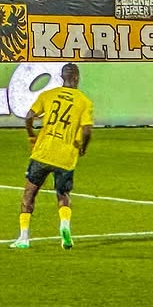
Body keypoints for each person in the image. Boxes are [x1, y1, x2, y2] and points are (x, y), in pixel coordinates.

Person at [12, 63, 94, 250]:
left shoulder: (48, 95)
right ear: (77, 78)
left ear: (62, 77)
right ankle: (65, 228)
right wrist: (83, 147)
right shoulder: (84, 102)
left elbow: (28, 117)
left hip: (42, 153)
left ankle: (23, 238)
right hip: (65, 156)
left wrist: (31, 135)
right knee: (63, 194)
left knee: (29, 194)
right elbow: (87, 130)